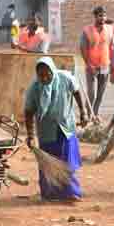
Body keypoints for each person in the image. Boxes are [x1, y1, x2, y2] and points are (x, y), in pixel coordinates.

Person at [23, 57, 87, 202]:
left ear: (53, 71)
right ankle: (49, 194)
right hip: (46, 131)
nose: (45, 78)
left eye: (47, 74)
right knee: (48, 164)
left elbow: (76, 91)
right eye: (41, 75)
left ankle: (71, 193)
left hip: (66, 127)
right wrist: (30, 135)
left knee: (67, 162)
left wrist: (83, 112)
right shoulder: (34, 88)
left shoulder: (64, 78)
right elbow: (28, 112)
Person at [78, 6, 114, 117]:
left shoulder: (109, 29)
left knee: (100, 94)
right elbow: (83, 48)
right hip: (91, 67)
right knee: (91, 94)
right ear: (95, 17)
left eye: (104, 15)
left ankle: (95, 114)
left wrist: (112, 64)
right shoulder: (87, 30)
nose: (102, 18)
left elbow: (112, 47)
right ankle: (89, 115)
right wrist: (89, 65)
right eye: (100, 16)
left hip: (105, 66)